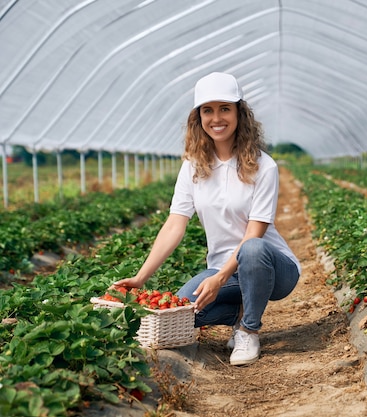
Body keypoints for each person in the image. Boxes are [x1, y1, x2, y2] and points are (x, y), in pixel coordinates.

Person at [112, 72, 301, 366]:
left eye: (225, 108)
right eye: (207, 110)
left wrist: (219, 279)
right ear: (198, 116)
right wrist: (140, 277)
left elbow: (255, 234)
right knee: (180, 310)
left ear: (240, 113)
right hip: (221, 269)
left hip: (273, 268)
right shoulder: (193, 167)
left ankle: (249, 330)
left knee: (252, 250)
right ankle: (237, 312)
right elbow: (175, 224)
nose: (217, 118)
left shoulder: (264, 166)